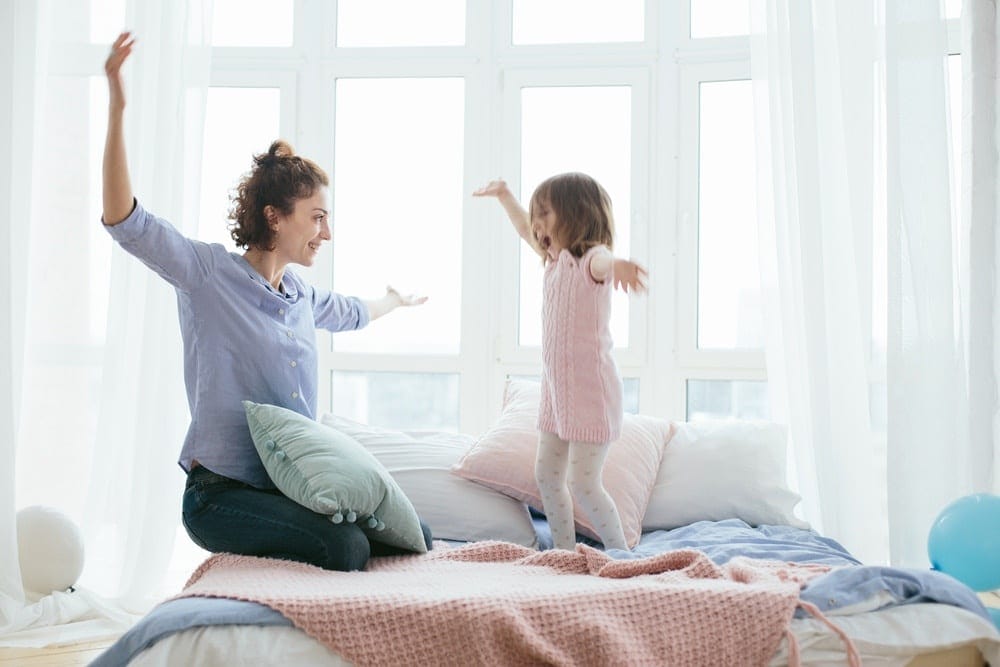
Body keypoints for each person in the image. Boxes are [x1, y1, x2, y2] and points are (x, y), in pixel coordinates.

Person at [102, 31, 432, 572]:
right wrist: (117, 108)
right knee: (346, 547)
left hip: (287, 485)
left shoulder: (299, 294)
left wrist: (391, 302)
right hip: (221, 495)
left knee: (412, 532)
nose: (326, 232)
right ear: (275, 216)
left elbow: (351, 312)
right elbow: (125, 221)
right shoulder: (208, 275)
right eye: (318, 217)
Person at [473, 174, 647, 552]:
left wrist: (620, 267)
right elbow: (523, 228)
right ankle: (565, 554)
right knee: (547, 476)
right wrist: (505, 196)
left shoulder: (590, 261)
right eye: (535, 215)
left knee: (584, 484)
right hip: (557, 394)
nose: (536, 223)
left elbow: (604, 263)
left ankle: (620, 557)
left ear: (576, 215)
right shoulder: (553, 261)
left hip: (590, 394)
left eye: (545, 214)